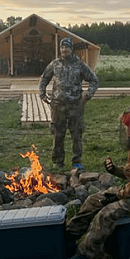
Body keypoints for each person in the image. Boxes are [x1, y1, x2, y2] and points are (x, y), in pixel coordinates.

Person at [54, 108, 130, 259]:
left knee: (106, 213)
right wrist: (115, 170)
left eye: (128, 127)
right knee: (94, 200)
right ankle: (69, 238)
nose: (125, 130)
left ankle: (85, 256)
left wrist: (118, 195)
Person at [39, 37, 99, 170]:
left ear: (71, 49)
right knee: (57, 134)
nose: (64, 50)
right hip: (57, 105)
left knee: (76, 133)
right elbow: (44, 79)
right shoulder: (55, 64)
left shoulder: (80, 64)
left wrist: (88, 95)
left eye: (66, 47)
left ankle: (77, 161)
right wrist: (42, 94)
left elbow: (94, 80)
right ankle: (57, 162)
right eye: (62, 47)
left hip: (75, 105)